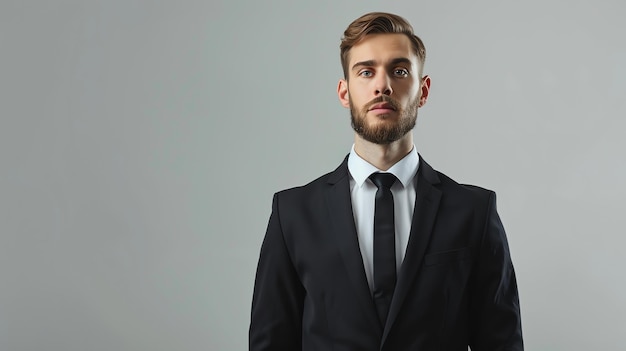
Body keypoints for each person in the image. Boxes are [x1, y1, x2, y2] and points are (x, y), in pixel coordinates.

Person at [249, 12, 523, 351]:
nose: (383, 85)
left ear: (423, 91)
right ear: (344, 92)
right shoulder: (292, 214)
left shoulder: (474, 211)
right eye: (366, 72)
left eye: (400, 70)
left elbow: (502, 343)